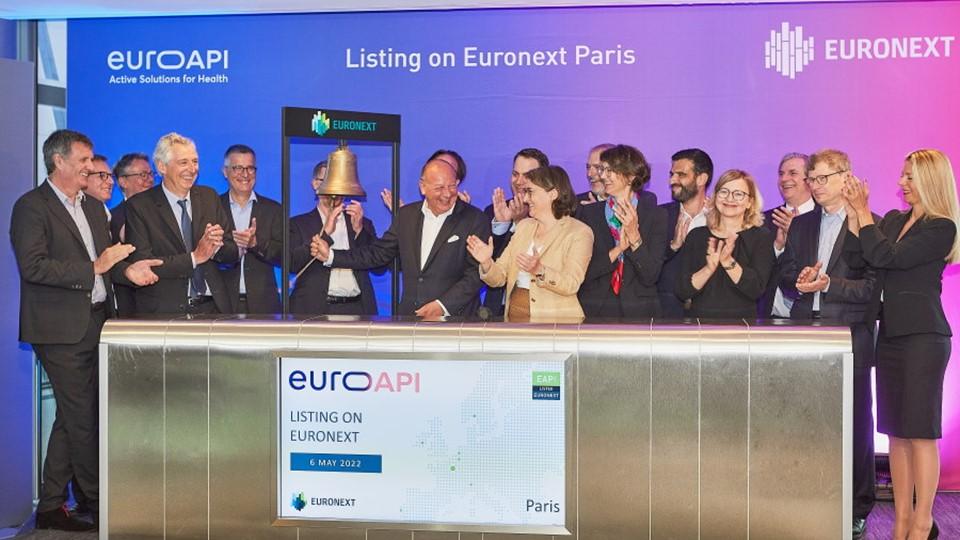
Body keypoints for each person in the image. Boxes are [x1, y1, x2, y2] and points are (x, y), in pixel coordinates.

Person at [10, 129, 160, 531]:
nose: (90, 167)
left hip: (98, 322)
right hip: (58, 330)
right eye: (83, 160)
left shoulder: (93, 207)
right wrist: (95, 267)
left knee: (71, 415)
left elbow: (106, 264)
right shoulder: (31, 207)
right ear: (58, 161)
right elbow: (34, 266)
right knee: (83, 417)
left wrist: (128, 270)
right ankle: (100, 504)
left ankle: (51, 505)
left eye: (91, 160)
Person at [844, 149, 960, 540]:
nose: (901, 183)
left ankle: (923, 521)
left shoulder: (941, 227)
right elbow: (864, 256)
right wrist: (853, 215)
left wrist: (863, 212)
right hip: (891, 335)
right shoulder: (894, 219)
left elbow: (887, 255)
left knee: (920, 432)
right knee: (895, 432)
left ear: (930, 180)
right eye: (902, 175)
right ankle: (901, 520)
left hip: (924, 337)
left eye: (910, 177)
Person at [778, 149, 877, 540]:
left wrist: (829, 284)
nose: (815, 186)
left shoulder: (867, 223)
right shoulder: (802, 225)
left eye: (823, 178)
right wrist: (799, 280)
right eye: (812, 179)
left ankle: (857, 507)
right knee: (804, 421)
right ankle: (805, 501)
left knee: (856, 425)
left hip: (850, 334)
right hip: (806, 330)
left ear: (845, 177)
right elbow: (785, 272)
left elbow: (871, 288)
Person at [311, 158, 491, 317]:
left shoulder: (475, 219)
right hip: (411, 319)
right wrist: (331, 256)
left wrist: (442, 306)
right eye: (439, 188)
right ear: (423, 187)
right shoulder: (406, 215)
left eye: (452, 186)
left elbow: (476, 273)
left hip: (456, 322)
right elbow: (378, 254)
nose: (447, 194)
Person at [125, 132, 238, 314]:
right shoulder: (139, 206)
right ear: (162, 166)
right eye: (183, 162)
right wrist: (195, 257)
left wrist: (215, 247)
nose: (192, 169)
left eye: (195, 161)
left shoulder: (209, 197)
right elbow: (143, 263)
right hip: (165, 311)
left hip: (213, 307)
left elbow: (233, 253)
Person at [467, 165, 593, 320]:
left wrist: (540, 270)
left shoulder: (579, 232)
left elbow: (571, 284)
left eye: (530, 192)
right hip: (514, 321)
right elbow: (499, 277)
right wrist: (486, 262)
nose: (525, 199)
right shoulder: (524, 226)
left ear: (553, 194)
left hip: (556, 325)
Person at [577, 144, 667, 318]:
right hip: (596, 307)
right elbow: (584, 271)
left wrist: (635, 237)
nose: (603, 176)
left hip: (639, 310)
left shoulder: (656, 216)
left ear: (631, 176)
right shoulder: (589, 213)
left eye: (610, 170)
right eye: (603, 170)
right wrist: (618, 249)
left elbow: (651, 275)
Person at [675, 169, 775, 319]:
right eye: (724, 192)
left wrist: (728, 262)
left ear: (750, 202)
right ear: (715, 197)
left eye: (738, 194)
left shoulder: (761, 237)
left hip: (742, 325)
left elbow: (756, 289)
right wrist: (709, 269)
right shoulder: (697, 236)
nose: (729, 198)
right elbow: (682, 291)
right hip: (700, 323)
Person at [289, 160, 379, 315]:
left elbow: (379, 266)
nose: (333, 189)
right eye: (327, 181)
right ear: (315, 184)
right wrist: (325, 234)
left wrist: (360, 231)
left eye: (338, 182)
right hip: (313, 310)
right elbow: (292, 264)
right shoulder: (297, 224)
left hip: (357, 308)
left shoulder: (362, 222)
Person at [483, 148, 549, 315]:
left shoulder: (552, 216)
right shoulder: (494, 210)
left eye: (527, 176)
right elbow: (490, 262)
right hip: (497, 310)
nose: (519, 181)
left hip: (541, 311)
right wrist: (502, 225)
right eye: (515, 174)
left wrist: (520, 223)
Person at [219, 144, 282, 314]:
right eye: (238, 168)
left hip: (264, 305)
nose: (245, 174)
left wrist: (256, 243)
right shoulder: (212, 207)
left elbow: (285, 257)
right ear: (225, 172)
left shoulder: (273, 209)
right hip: (221, 305)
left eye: (250, 168)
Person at [759, 152, 818, 318]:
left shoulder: (824, 218)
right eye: (781, 174)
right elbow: (758, 270)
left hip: (812, 318)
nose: (784, 179)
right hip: (770, 318)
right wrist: (778, 247)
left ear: (809, 179)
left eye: (792, 173)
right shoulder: (763, 220)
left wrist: (797, 233)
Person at [656, 148, 713, 317]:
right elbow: (648, 265)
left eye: (681, 175)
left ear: (702, 179)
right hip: (666, 313)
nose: (672, 180)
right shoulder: (659, 215)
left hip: (710, 313)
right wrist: (673, 247)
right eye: (671, 174)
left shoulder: (721, 217)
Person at [109, 152, 155, 316]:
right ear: (123, 181)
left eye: (151, 174)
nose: (149, 180)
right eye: (143, 175)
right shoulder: (112, 217)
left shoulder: (165, 211)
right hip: (133, 304)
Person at [379, 149, 470, 210]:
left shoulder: (470, 217)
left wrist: (462, 213)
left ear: (457, 182)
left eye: (448, 167)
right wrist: (403, 214)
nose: (442, 169)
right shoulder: (410, 213)